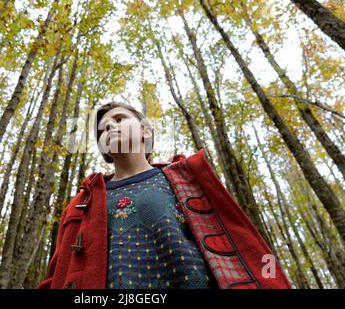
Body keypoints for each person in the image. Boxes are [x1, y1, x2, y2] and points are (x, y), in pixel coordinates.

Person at [37, 101, 291, 289]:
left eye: (119, 119)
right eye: (103, 130)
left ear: (146, 131)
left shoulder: (187, 181)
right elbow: (57, 272)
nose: (110, 129)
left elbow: (239, 244)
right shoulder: (82, 203)